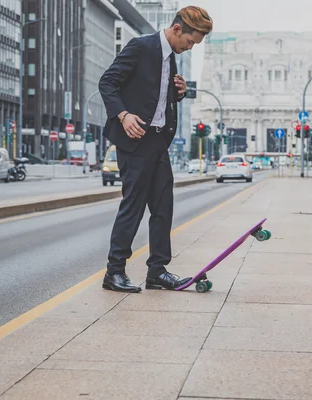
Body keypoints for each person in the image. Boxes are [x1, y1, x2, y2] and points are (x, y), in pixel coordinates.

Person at [98, 6, 213, 293]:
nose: (189, 47)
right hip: (135, 139)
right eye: (189, 41)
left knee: (163, 206)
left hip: (158, 141)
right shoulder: (141, 47)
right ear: (177, 29)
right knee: (133, 206)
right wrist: (123, 116)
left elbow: (157, 96)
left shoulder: (170, 58)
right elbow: (107, 82)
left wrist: (180, 93)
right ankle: (114, 272)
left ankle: (157, 271)